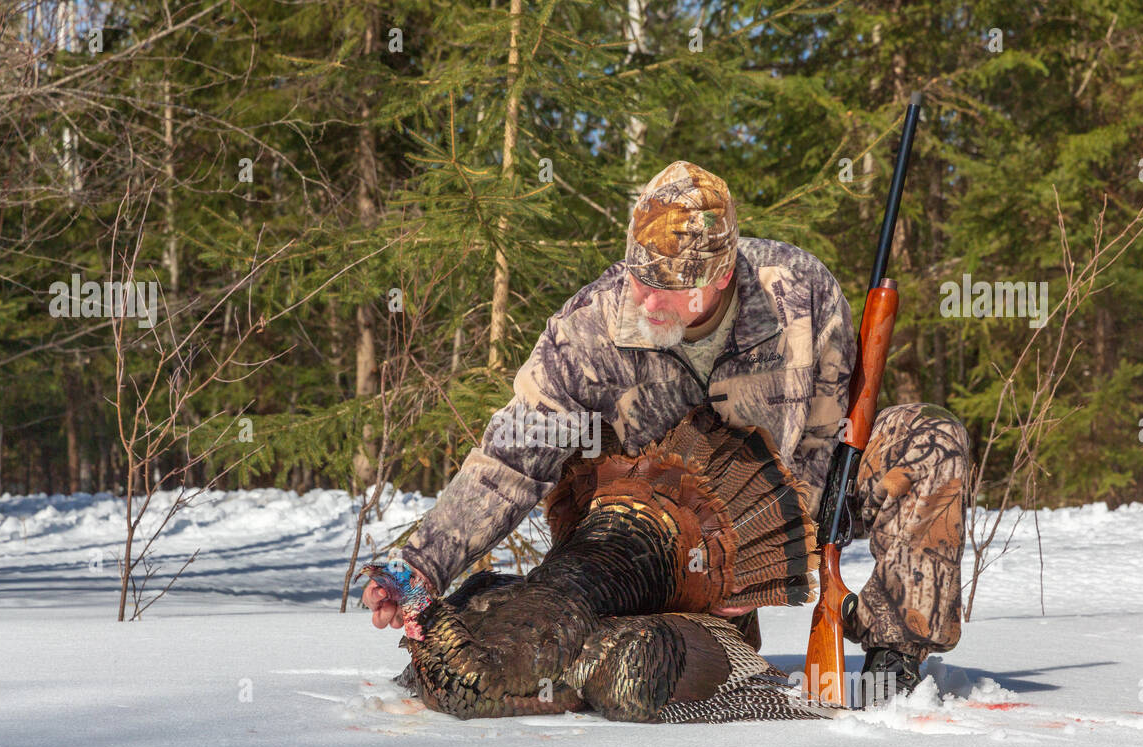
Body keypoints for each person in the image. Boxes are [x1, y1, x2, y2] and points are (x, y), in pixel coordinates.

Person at [364, 160, 969, 696]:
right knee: (648, 671)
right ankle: (684, 634)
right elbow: (511, 455)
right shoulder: (591, 328)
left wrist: (765, 562)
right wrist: (420, 562)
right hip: (647, 539)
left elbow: (822, 435)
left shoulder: (799, 293)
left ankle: (895, 658)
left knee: (928, 438)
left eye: (669, 289)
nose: (645, 302)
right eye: (637, 278)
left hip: (762, 529)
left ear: (723, 277)